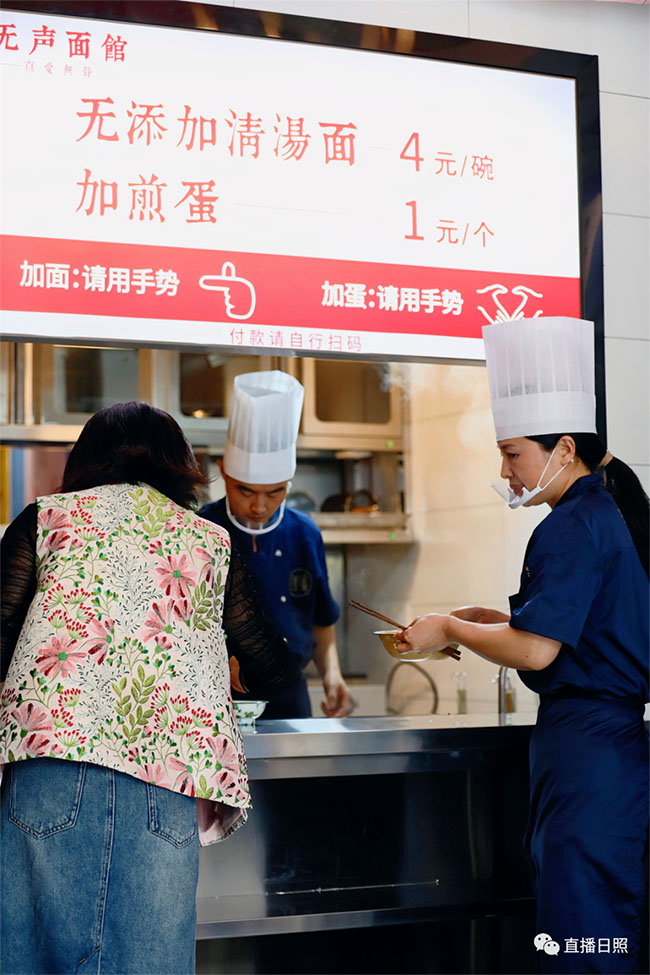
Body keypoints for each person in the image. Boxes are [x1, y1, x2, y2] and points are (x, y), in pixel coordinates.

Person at [0, 402, 299, 975]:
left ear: (85, 460)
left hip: (48, 769)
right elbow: (273, 666)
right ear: (178, 464)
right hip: (166, 779)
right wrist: (227, 667)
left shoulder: (46, 519)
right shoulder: (207, 540)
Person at [397, 317, 649, 975]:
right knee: (591, 927)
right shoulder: (598, 514)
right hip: (600, 755)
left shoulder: (572, 523)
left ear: (563, 448)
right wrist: (483, 620)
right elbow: (559, 632)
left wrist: (450, 628)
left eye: (512, 454)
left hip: (589, 755)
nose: (505, 471)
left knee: (584, 936)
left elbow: (537, 652)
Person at [200, 370, 350, 720]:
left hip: (291, 695)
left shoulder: (305, 533)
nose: (259, 506)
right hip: (217, 698)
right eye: (245, 491)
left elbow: (320, 619)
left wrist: (332, 674)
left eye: (275, 492)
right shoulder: (202, 530)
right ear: (224, 471)